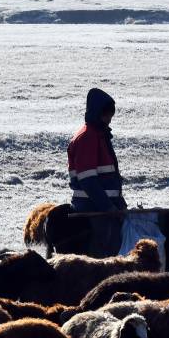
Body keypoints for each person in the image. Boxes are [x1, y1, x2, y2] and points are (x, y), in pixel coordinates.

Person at [68, 88, 126, 257]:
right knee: (105, 257)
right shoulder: (87, 138)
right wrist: (109, 207)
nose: (109, 119)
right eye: (106, 115)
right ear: (97, 113)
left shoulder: (97, 135)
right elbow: (88, 181)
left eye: (110, 115)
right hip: (94, 212)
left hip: (102, 209)